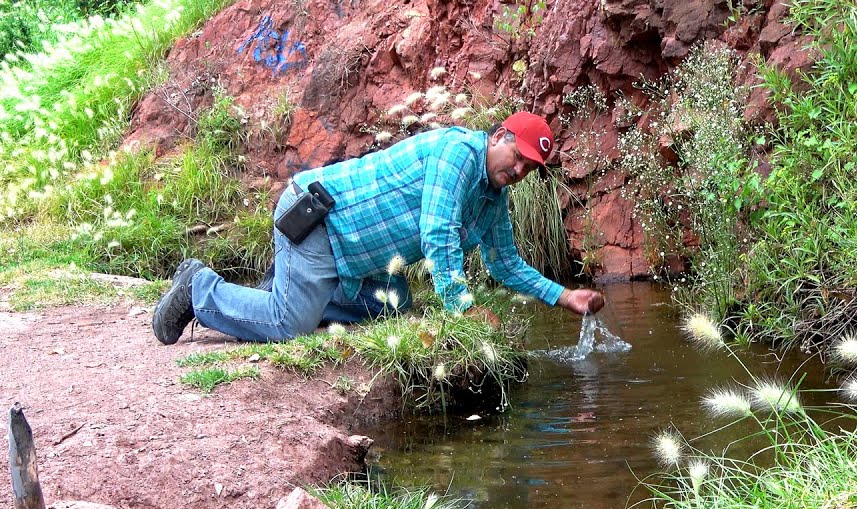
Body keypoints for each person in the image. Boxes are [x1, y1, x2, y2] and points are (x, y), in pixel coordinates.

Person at [151, 111, 605, 344]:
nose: (520, 170)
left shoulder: (492, 197)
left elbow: (505, 262)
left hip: (352, 254)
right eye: (519, 157)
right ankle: (199, 288)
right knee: (289, 325)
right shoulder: (459, 153)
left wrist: (565, 296)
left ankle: (294, 289)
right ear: (500, 137)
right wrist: (462, 308)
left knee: (396, 303)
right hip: (320, 221)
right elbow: (438, 233)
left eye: (530, 168)